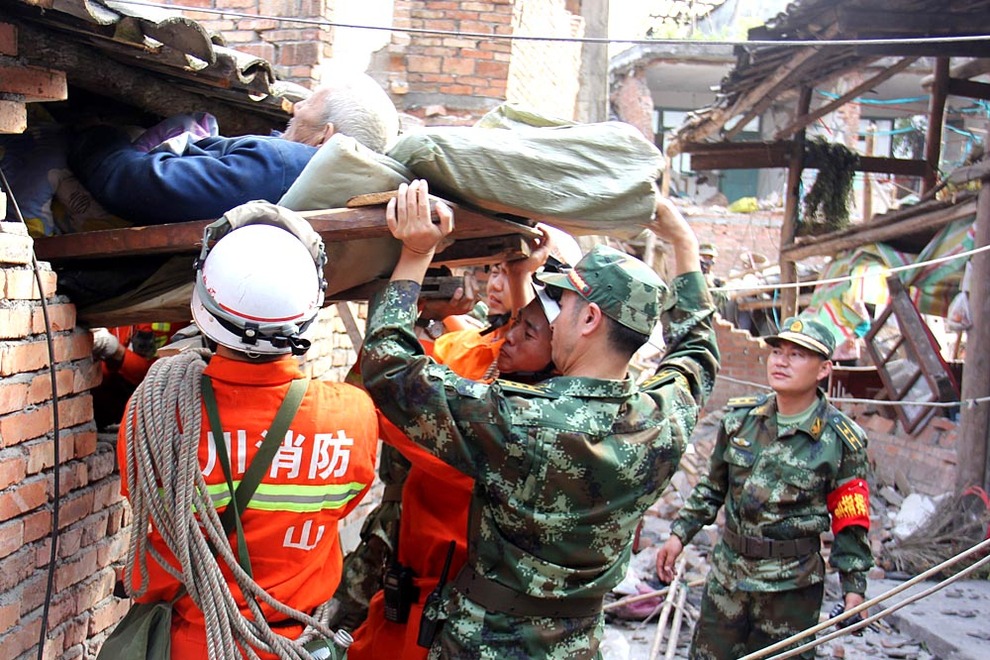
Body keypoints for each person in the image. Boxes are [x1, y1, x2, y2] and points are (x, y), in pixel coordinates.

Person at [360, 179, 719, 658]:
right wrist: (684, 244)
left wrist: (415, 253)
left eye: (563, 304)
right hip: (577, 642)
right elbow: (698, 349)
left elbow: (390, 369)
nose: (552, 318)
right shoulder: (668, 417)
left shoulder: (520, 419)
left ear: (589, 320)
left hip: (485, 642)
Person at [113, 202, 379, 659]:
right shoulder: (353, 415)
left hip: (188, 644)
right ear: (310, 312)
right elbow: (345, 505)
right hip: (295, 643)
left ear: (204, 306)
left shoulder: (153, 414)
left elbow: (143, 499)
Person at [656, 316, 874, 660]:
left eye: (798, 355)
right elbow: (713, 487)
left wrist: (854, 589)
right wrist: (679, 534)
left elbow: (850, 520)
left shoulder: (841, 440)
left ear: (824, 369)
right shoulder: (740, 420)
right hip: (729, 578)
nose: (782, 361)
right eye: (777, 351)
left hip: (790, 589)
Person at [70, 71, 399, 224]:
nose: (297, 107)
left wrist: (96, 138)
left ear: (324, 137)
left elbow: (142, 185)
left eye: (310, 103)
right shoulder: (329, 184)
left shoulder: (281, 164)